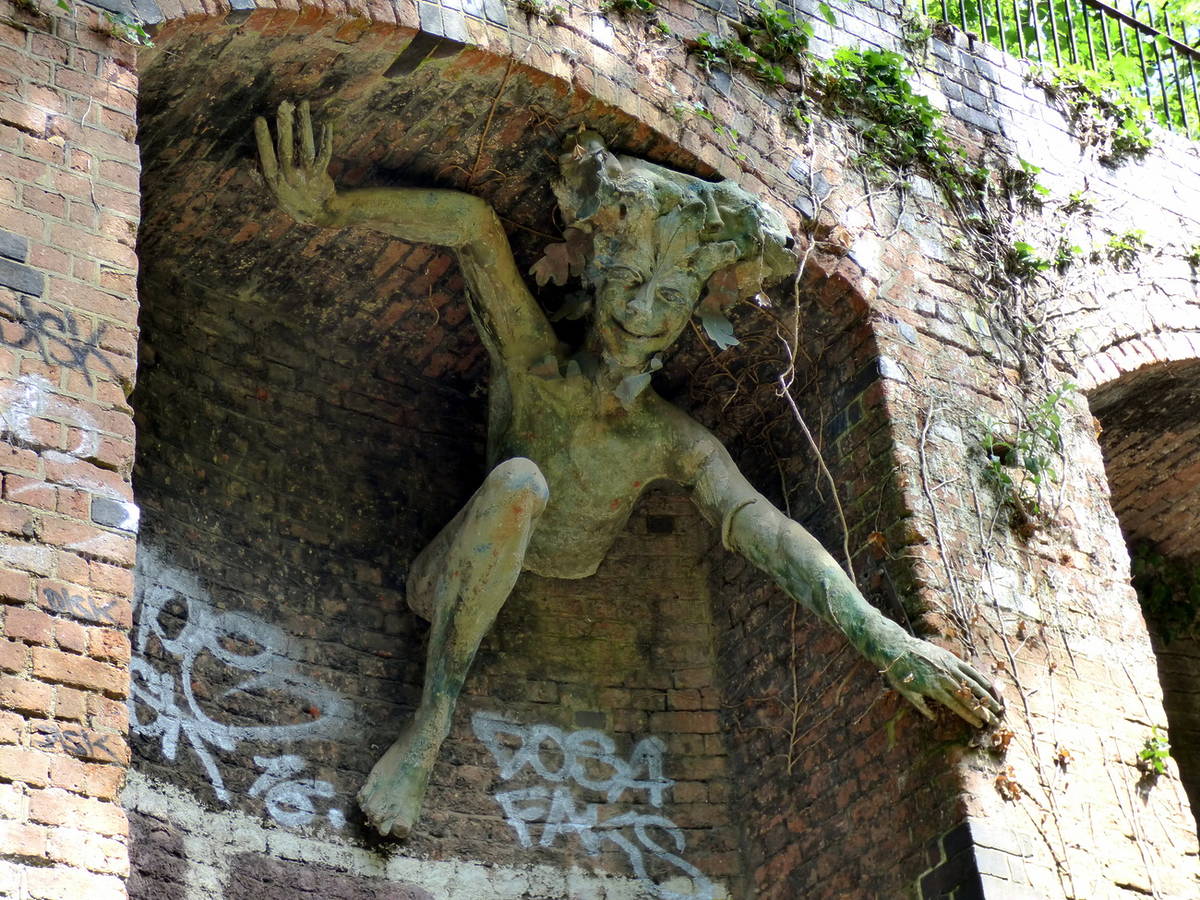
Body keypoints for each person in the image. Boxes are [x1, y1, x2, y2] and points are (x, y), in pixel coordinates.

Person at [254, 101, 1002, 838]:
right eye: (632, 282)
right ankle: (428, 730)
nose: (645, 310)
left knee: (534, 487)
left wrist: (887, 641)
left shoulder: (666, 436)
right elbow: (475, 231)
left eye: (671, 297)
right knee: (521, 484)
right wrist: (331, 207)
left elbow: (764, 530)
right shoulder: (537, 363)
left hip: (570, 560)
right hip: (449, 570)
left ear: (688, 316)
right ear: (601, 277)